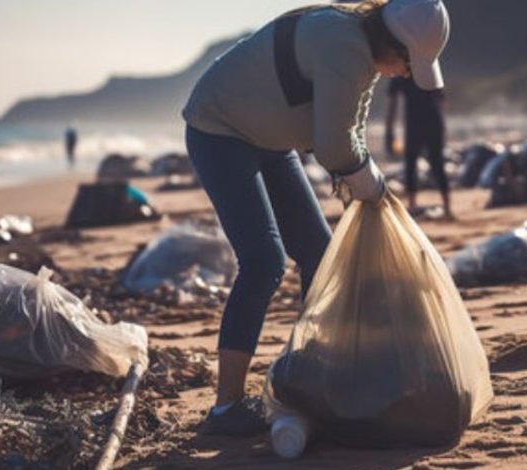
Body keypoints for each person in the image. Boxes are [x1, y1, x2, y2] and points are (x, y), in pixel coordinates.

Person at [181, 0, 450, 436]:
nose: (405, 73)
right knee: (264, 260)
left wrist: (364, 187)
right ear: (392, 44)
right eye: (407, 62)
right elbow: (333, 148)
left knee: (319, 256)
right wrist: (370, 183)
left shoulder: (364, 54)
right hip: (220, 129)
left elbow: (349, 129)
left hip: (272, 139)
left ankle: (314, 377)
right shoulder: (342, 44)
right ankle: (225, 407)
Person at [385, 76, 451, 217]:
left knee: (414, 163)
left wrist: (389, 131)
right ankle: (446, 209)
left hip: (416, 123)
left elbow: (393, 104)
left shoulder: (399, 69)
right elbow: (441, 98)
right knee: (433, 163)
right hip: (431, 121)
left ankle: (414, 207)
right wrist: (443, 127)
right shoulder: (426, 65)